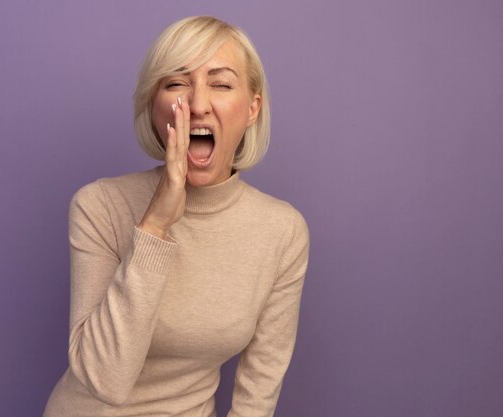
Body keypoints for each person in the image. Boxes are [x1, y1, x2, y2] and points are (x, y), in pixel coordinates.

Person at [43, 15, 309, 417]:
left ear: (252, 108)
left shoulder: (283, 232)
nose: (199, 104)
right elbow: (104, 381)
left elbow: (259, 389)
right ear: (154, 106)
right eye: (176, 83)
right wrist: (155, 226)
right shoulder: (99, 206)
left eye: (220, 84)